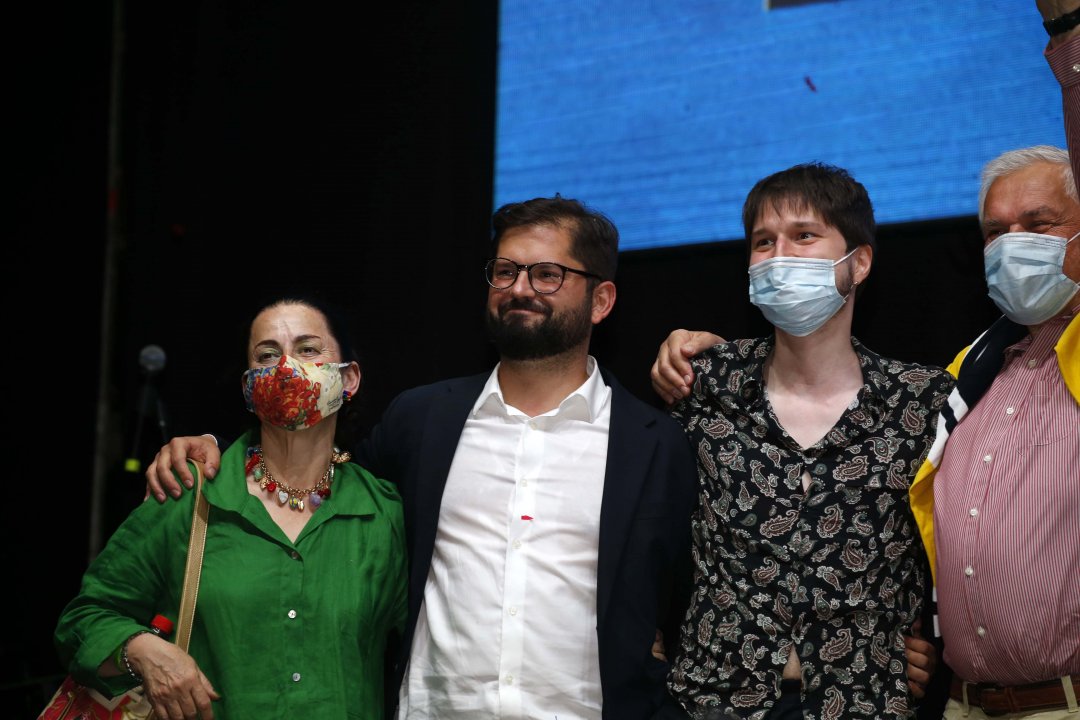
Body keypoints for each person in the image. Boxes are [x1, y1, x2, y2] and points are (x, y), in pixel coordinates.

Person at [144, 196, 699, 719]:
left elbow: (685, 594)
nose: (520, 288)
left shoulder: (655, 444)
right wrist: (215, 446)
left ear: (601, 300)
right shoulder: (422, 420)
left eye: (548, 273)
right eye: (504, 271)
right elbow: (314, 479)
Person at [649, 162, 954, 719]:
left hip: (864, 704)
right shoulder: (706, 383)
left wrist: (939, 646)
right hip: (712, 702)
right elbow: (645, 527)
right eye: (764, 241)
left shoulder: (923, 402)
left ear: (859, 262)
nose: (780, 255)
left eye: (804, 236)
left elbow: (961, 546)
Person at [54, 297, 408, 720]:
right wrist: (142, 651)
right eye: (267, 355)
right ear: (248, 387)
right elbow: (82, 622)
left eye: (308, 349)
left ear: (348, 379)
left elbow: (420, 651)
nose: (285, 367)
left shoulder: (383, 513)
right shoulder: (190, 494)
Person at [903, 4, 1080, 708]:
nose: (1013, 245)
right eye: (995, 232)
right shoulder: (971, 372)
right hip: (965, 704)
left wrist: (1070, 30)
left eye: (1040, 225)